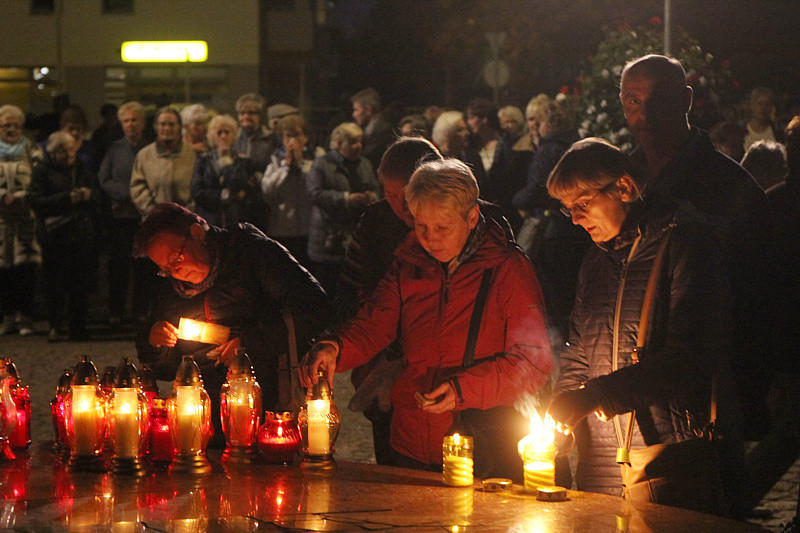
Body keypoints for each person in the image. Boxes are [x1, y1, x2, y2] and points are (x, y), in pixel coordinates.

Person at [299, 158, 552, 476]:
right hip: (411, 439)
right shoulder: (409, 261)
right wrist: (336, 347)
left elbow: (533, 363)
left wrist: (463, 390)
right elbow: (376, 322)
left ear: (472, 217)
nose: (430, 238)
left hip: (478, 445)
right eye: (421, 226)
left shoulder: (508, 269)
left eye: (442, 228)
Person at [545, 137, 739, 516]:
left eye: (582, 205)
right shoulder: (595, 263)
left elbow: (689, 358)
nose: (575, 219)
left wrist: (596, 396)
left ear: (624, 187)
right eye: (568, 209)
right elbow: (578, 352)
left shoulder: (686, 244)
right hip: (599, 465)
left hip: (668, 459)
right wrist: (562, 410)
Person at [620, 54, 777, 444]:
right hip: (627, 394)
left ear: (686, 101)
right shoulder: (622, 182)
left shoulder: (729, 187)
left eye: (658, 100)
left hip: (705, 395)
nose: (646, 114)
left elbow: (760, 294)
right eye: (633, 101)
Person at [134, 203, 328, 447]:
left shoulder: (250, 252)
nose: (175, 272)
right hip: (204, 420)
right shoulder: (168, 292)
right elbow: (163, 371)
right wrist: (156, 344)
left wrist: (249, 343)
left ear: (197, 233)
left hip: (270, 410)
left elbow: (314, 306)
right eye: (165, 269)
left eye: (176, 259)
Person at [513, 98, 591, 339]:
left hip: (552, 232)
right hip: (574, 229)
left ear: (550, 122)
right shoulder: (576, 144)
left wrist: (517, 200)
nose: (534, 126)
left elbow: (536, 189)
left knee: (553, 297)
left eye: (537, 119)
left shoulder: (549, 148)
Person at [28, 132, 98, 342]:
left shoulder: (82, 169)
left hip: (80, 235)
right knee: (55, 285)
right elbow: (36, 201)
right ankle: (55, 325)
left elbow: (97, 194)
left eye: (70, 149)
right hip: (55, 237)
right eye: (62, 150)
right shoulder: (42, 171)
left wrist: (89, 195)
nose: (68, 154)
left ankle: (78, 326)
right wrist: (67, 198)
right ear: (52, 152)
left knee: (80, 284)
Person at [306, 122, 379, 299]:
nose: (358, 146)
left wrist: (372, 196)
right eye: (353, 142)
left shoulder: (364, 164)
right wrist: (346, 198)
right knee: (327, 290)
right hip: (329, 239)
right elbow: (315, 194)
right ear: (338, 143)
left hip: (355, 238)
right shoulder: (322, 165)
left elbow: (375, 186)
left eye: (360, 141)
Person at [97, 101, 149, 324]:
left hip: (142, 216)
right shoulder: (114, 148)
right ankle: (115, 312)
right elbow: (103, 178)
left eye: (134, 120)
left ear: (143, 123)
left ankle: (140, 311)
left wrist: (138, 197)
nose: (130, 125)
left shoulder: (150, 148)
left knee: (143, 267)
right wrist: (124, 195)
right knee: (118, 265)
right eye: (126, 121)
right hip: (120, 216)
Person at [0, 105, 42, 336]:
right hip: (0, 222)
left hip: (25, 218)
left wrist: (22, 196)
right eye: (6, 125)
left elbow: (39, 178)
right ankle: (6, 318)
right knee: (3, 271)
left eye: (16, 125)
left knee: (25, 270)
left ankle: (26, 317)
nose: (11, 129)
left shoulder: (31, 148)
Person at [190, 114, 266, 231]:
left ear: (234, 135)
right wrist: (224, 195)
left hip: (236, 223)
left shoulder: (243, 161)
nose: (223, 136)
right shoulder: (204, 160)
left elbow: (239, 186)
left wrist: (227, 163)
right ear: (212, 135)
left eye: (227, 132)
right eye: (219, 132)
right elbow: (197, 192)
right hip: (210, 222)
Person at [261, 114, 314, 267]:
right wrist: (285, 167)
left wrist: (301, 164)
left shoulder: (316, 156)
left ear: (305, 137)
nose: (292, 141)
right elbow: (267, 190)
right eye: (287, 136)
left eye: (296, 135)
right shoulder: (276, 159)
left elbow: (315, 188)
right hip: (281, 227)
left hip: (307, 228)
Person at [130, 106, 197, 217]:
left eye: (171, 124)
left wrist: (189, 212)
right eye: (162, 124)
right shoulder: (144, 155)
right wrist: (155, 212)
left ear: (179, 127)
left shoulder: (192, 154)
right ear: (156, 127)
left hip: (187, 220)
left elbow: (198, 187)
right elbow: (138, 189)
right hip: (154, 221)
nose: (166, 128)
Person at [351, 88, 394, 171]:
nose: (354, 115)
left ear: (368, 110)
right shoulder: (370, 128)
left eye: (356, 110)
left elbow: (367, 156)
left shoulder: (382, 130)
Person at [233, 93, 276, 173]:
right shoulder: (233, 138)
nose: (246, 117)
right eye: (242, 113)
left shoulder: (271, 138)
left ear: (259, 115)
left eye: (251, 113)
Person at [744, 87, 781, 151]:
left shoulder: (777, 131)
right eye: (760, 103)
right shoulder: (741, 130)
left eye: (767, 104)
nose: (763, 108)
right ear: (752, 106)